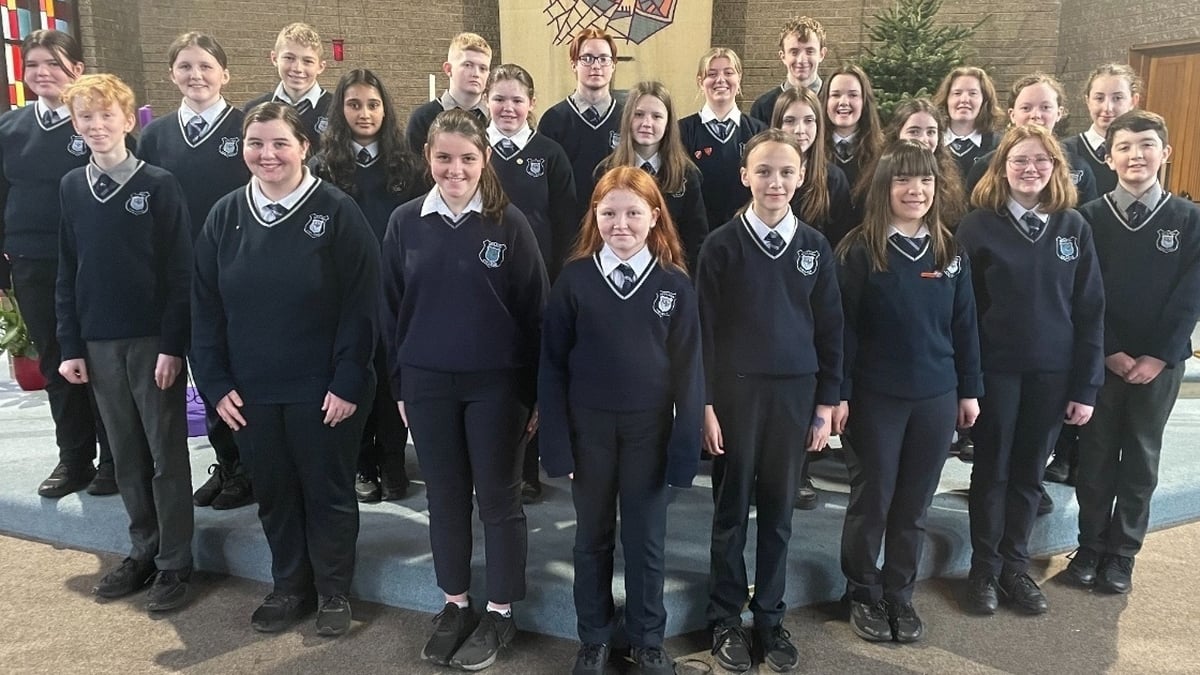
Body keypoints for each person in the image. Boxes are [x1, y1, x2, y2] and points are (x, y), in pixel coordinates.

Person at [191, 102, 380, 637]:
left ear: (305, 147)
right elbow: (204, 307)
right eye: (256, 143)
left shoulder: (338, 212)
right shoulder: (224, 216)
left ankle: (335, 592)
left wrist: (347, 379)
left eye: (279, 143)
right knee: (273, 492)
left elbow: (362, 305)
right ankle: (290, 586)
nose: (267, 154)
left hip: (325, 389)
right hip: (250, 391)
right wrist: (216, 383)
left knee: (327, 492)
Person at [381, 109, 548, 671]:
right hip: (427, 384)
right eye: (444, 158)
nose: (455, 169)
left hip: (496, 388)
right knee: (444, 497)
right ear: (428, 158)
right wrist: (401, 384)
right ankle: (454, 602)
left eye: (468, 158)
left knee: (498, 500)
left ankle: (500, 611)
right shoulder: (405, 222)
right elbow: (390, 310)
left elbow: (535, 314)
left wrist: (534, 395)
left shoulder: (509, 224)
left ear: (485, 161)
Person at [539, 166, 703, 675]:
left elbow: (690, 373)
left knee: (645, 539)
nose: (621, 223)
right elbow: (552, 367)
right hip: (589, 431)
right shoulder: (575, 281)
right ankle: (594, 636)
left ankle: (648, 637)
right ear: (595, 216)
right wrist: (557, 444)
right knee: (590, 538)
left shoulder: (674, 285)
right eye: (608, 212)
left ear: (654, 217)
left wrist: (684, 448)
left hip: (649, 432)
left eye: (633, 212)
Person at [698, 129, 843, 673]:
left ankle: (770, 617)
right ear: (745, 176)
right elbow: (704, 333)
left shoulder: (814, 247)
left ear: (802, 176)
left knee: (779, 512)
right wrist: (706, 404)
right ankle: (725, 618)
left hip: (794, 396)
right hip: (734, 397)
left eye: (786, 171)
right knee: (731, 510)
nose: (775, 181)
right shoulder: (721, 245)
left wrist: (826, 404)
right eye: (763, 171)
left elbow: (831, 330)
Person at [56, 73, 195, 611]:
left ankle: (176, 562)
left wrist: (172, 344)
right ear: (76, 124)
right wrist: (70, 345)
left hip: (151, 341)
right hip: (98, 340)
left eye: (105, 115)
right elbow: (69, 270)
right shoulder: (71, 188)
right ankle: (143, 548)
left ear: (126, 118)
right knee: (126, 452)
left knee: (164, 454)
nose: (96, 126)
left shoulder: (157, 184)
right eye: (85, 117)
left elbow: (180, 271)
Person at [834, 140, 981, 644]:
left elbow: (965, 327)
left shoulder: (949, 250)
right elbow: (844, 331)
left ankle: (899, 592)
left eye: (925, 181)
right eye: (903, 180)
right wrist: (841, 395)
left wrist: (969, 391)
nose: (915, 190)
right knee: (873, 500)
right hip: (876, 398)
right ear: (884, 187)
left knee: (915, 504)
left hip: (936, 397)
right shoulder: (860, 250)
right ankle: (860, 590)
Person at [959, 124, 1104, 617]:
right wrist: (968, 381)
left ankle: (1014, 568)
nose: (1031, 169)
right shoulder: (978, 226)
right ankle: (983, 568)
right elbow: (964, 311)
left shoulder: (1073, 227)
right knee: (992, 470)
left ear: (1056, 168)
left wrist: (1085, 385)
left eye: (1041, 161)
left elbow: (1090, 310)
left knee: (1028, 475)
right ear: (1002, 168)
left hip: (1052, 374)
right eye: (1019, 160)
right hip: (995, 373)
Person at [1069, 110, 1200, 594]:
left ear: (1165, 153)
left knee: (1142, 457)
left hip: (1159, 364)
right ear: (1108, 156)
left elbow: (1190, 296)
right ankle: (1089, 545)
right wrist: (1109, 351)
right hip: (1102, 360)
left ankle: (1122, 553)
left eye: (1146, 145)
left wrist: (1158, 356)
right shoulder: (1089, 218)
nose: (1135, 155)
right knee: (1096, 454)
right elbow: (1084, 293)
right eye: (1123, 147)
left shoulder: (1190, 220)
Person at [138, 31, 253, 511]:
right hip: (177, 272)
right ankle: (225, 463)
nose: (196, 75)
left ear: (225, 74)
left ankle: (247, 467)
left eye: (206, 66)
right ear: (172, 75)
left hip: (234, 269)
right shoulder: (155, 135)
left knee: (235, 369)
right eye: (185, 66)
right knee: (200, 373)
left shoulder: (246, 126)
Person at [0, 29, 114, 498]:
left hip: (93, 261)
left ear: (77, 70)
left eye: (53, 63)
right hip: (34, 260)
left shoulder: (93, 123)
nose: (42, 72)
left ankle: (114, 458)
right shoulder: (9, 128)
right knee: (56, 360)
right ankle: (74, 459)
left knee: (101, 361)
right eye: (33, 65)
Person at [310, 68, 426, 503]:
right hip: (345, 294)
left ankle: (394, 462)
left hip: (396, 290)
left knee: (393, 376)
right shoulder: (322, 168)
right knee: (355, 376)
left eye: (373, 104)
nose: (364, 113)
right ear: (341, 110)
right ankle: (363, 463)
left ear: (386, 109)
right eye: (355, 104)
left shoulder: (407, 165)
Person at [484, 63, 577, 504]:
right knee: (489, 376)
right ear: (486, 100)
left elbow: (566, 223)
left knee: (530, 375)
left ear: (531, 104)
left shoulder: (550, 154)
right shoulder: (471, 150)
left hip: (536, 285)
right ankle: (490, 466)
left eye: (517, 99)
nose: (508, 108)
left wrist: (558, 282)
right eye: (499, 98)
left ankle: (527, 468)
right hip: (480, 289)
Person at [596, 80, 708, 270]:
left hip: (671, 276)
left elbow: (696, 240)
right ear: (627, 119)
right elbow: (596, 234)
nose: (647, 123)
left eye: (657, 116)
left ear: (668, 123)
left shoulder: (687, 175)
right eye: (638, 115)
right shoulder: (606, 171)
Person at [965, 73, 1098, 205]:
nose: (1035, 115)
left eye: (1045, 107)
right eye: (1026, 108)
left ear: (1059, 113)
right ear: (1012, 114)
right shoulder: (985, 167)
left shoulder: (1079, 168)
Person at [679, 48, 768, 232]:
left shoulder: (759, 132)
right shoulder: (681, 132)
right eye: (712, 74)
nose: (720, 80)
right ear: (700, 81)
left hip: (746, 234)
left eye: (728, 72)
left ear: (739, 78)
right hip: (695, 236)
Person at [538, 27, 623, 212]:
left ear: (613, 65)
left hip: (617, 223)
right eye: (587, 58)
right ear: (574, 64)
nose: (596, 65)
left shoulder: (628, 117)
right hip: (567, 225)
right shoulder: (553, 120)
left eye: (603, 58)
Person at [244, 23, 331, 153]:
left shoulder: (338, 109)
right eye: (289, 58)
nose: (297, 68)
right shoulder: (252, 109)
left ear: (320, 67)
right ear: (274, 58)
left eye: (307, 61)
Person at [882, 98, 968, 228]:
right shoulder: (881, 174)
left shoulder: (949, 184)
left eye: (931, 132)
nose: (924, 139)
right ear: (897, 134)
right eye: (914, 131)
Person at [1060, 64, 1141, 197]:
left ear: (1133, 101)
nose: (1107, 107)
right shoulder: (1065, 151)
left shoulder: (1141, 153)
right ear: (1088, 101)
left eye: (1117, 98)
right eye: (1099, 98)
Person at [406, 32, 492, 154]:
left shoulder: (495, 118)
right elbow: (412, 169)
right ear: (448, 69)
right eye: (468, 65)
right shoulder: (423, 118)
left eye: (483, 68)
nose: (476, 74)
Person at [820, 64, 884, 227]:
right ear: (825, 101)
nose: (843, 102)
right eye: (835, 95)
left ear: (864, 101)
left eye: (853, 95)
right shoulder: (813, 150)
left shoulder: (882, 151)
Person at [749, 16, 829, 125]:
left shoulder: (834, 102)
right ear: (782, 56)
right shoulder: (763, 107)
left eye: (810, 51)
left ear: (822, 54)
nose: (801, 60)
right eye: (794, 52)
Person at [932, 66, 1003, 179]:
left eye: (973, 93)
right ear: (946, 99)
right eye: (957, 93)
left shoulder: (998, 145)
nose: (964, 99)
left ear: (984, 100)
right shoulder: (931, 142)